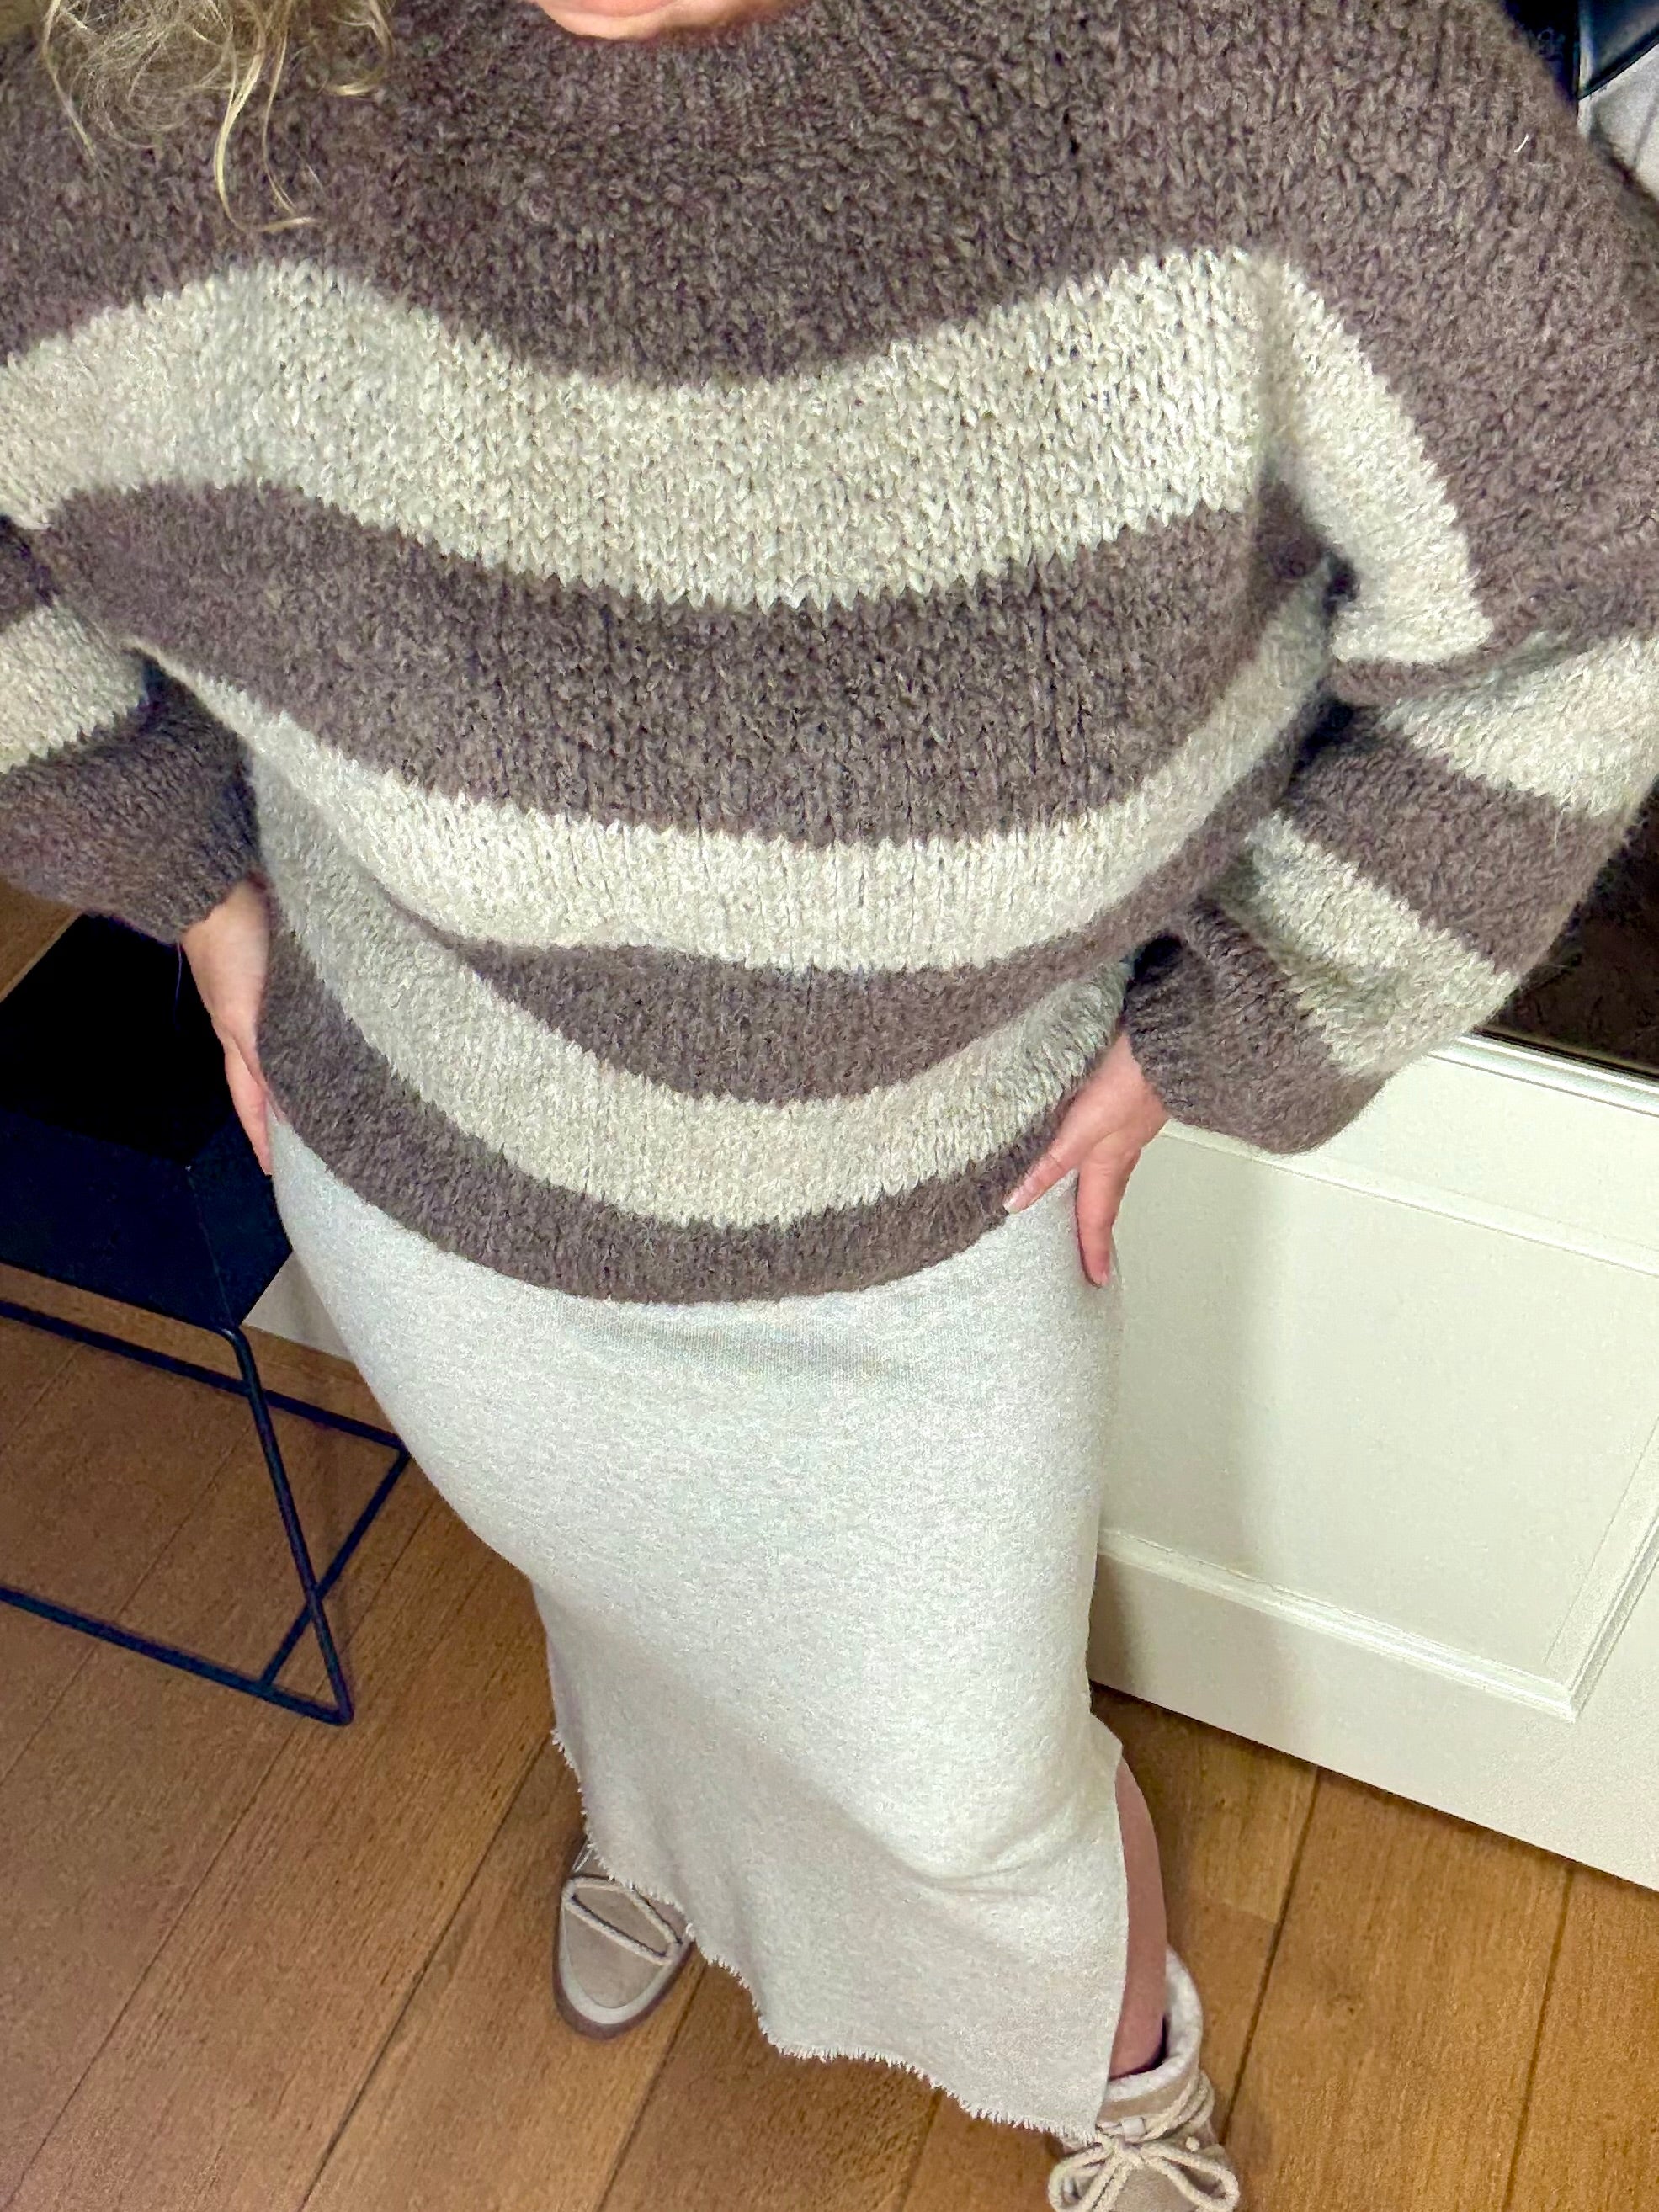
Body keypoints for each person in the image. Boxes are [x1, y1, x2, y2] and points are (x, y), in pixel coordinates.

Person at [2, 0, 1656, 2200]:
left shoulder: (1285, 87)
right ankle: (660, 1832)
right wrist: (175, 865)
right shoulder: (123, 88)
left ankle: (1117, 2064)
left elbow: (1601, 590)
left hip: (931, 1222)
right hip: (425, 1170)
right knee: (609, 1593)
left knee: (965, 1781)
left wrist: (1265, 1009)